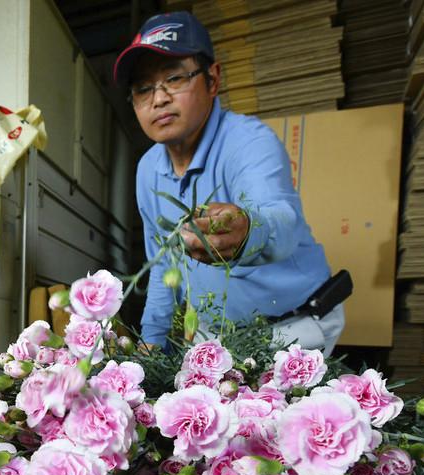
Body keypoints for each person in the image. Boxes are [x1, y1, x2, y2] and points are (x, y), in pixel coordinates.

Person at [114, 12, 345, 353]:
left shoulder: (248, 142)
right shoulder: (148, 169)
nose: (158, 98)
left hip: (293, 327)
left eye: (174, 78)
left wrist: (247, 231)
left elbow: (280, 219)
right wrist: (152, 342)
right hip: (217, 335)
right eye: (143, 88)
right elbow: (164, 266)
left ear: (212, 79)